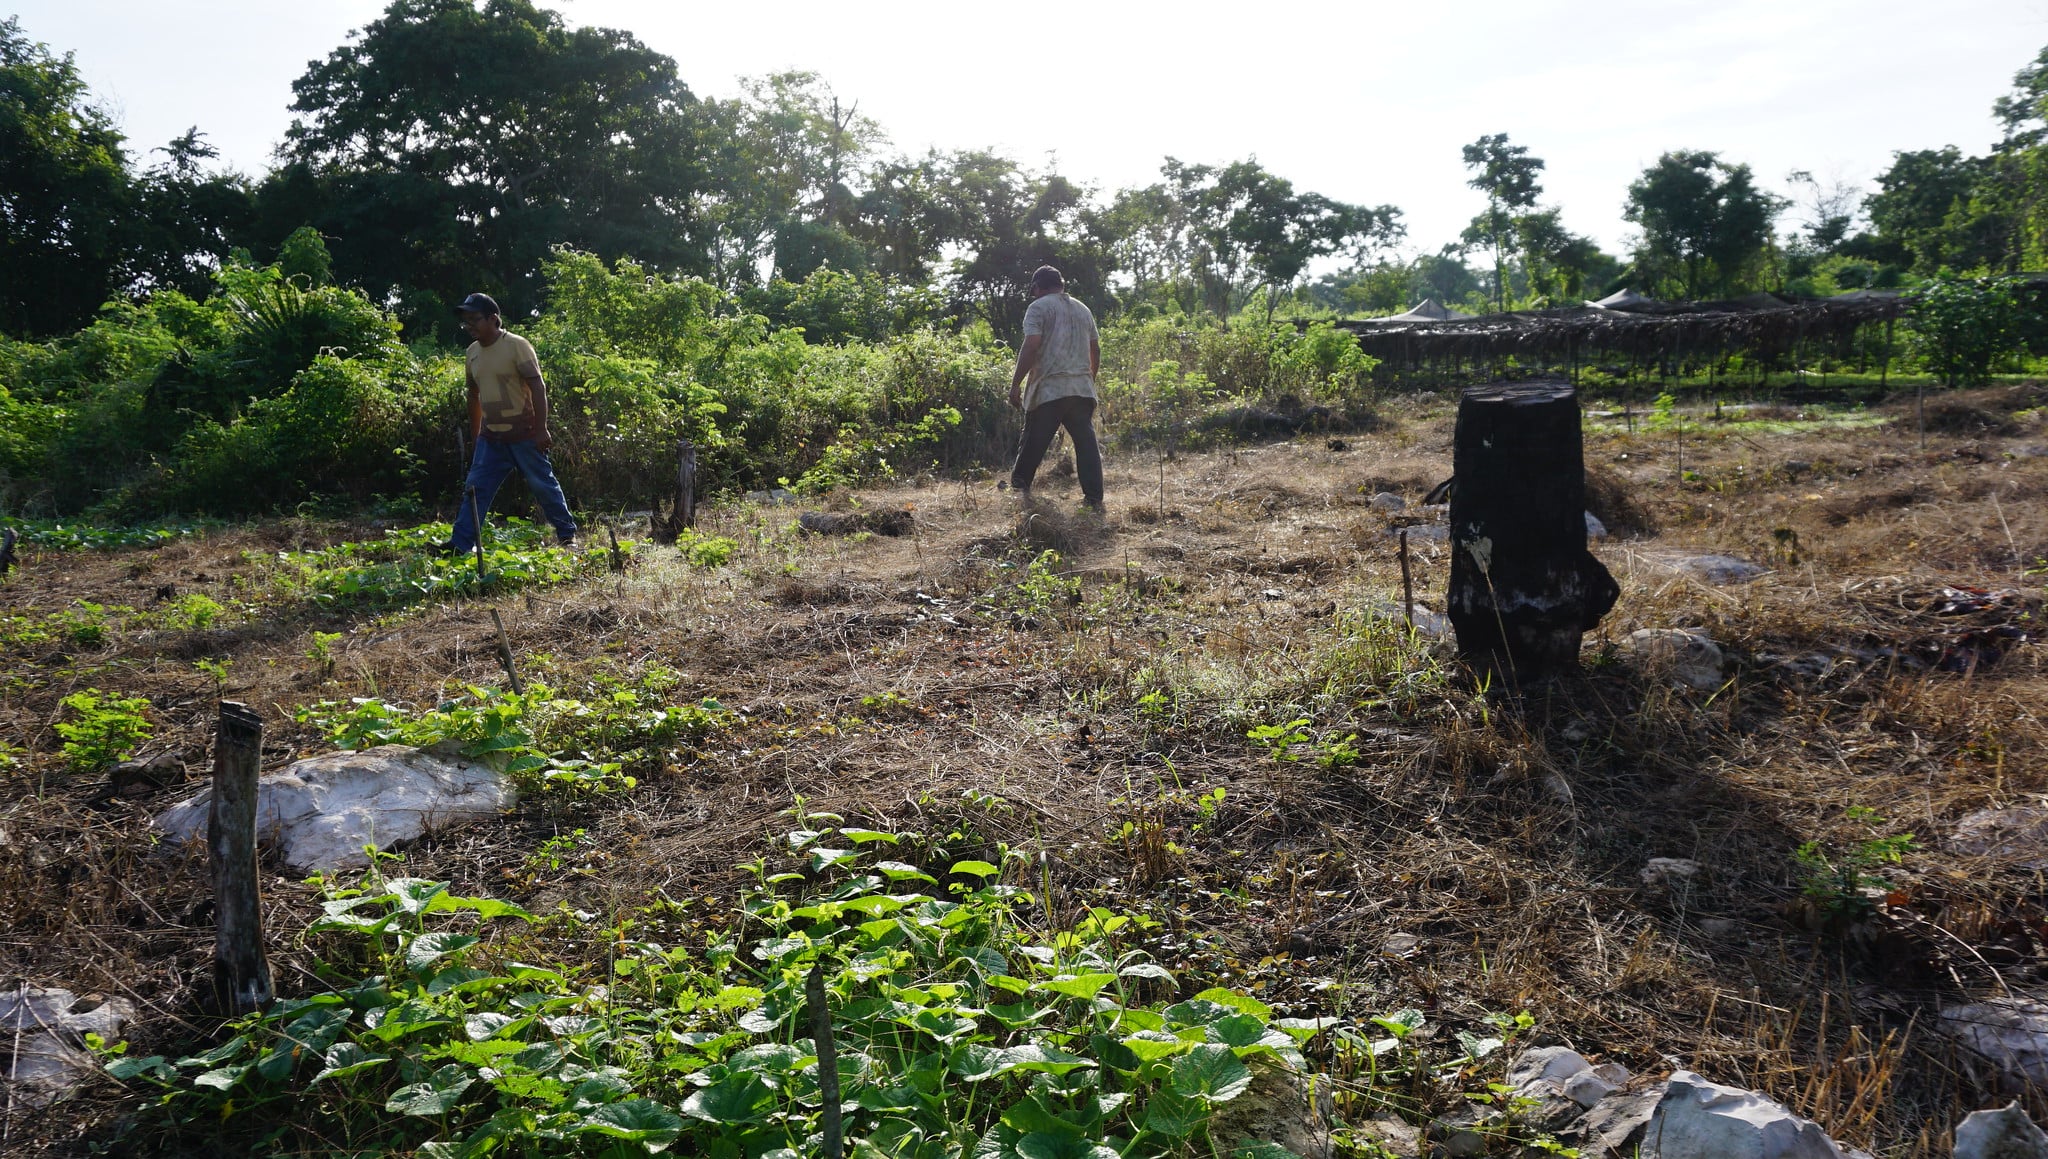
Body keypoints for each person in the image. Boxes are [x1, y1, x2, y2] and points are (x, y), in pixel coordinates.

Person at [445, 292, 578, 552]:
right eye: (465, 321)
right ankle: (459, 545)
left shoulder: (517, 345)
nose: (469, 326)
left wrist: (541, 429)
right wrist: (476, 437)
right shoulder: (471, 353)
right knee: (475, 489)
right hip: (491, 439)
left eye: (474, 320)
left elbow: (537, 386)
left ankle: (568, 537)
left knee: (543, 485)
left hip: (525, 434)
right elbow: (474, 395)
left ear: (494, 319)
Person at [1008, 265, 1104, 512]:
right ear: (1061, 285)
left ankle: (1018, 494)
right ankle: (1094, 500)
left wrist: (1016, 384)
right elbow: (1095, 349)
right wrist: (1087, 380)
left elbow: (1031, 346)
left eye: (1034, 290)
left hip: (1049, 390)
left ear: (1038, 287)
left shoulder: (1038, 308)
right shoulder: (1083, 309)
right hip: (1081, 389)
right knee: (1086, 445)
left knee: (1032, 443)